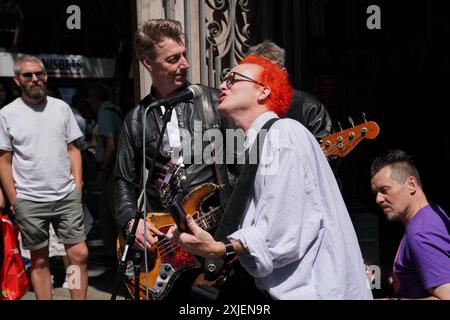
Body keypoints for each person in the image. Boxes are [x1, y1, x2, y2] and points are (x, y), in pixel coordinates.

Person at [167, 55, 373, 300]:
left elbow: (282, 231)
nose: (222, 85)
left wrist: (220, 248)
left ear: (263, 91)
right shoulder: (258, 143)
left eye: (232, 79)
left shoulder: (284, 134)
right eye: (224, 79)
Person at [114, 19, 231, 299]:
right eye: (173, 59)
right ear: (148, 64)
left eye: (184, 55)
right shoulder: (136, 119)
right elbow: (123, 181)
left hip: (214, 233)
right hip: (165, 246)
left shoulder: (214, 103)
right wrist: (132, 221)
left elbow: (245, 166)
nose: (185, 64)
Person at [0, 55, 88, 300]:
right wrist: (14, 199)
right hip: (29, 199)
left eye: (39, 73)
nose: (35, 79)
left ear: (46, 76)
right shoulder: (7, 114)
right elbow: (4, 160)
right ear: (18, 79)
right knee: (39, 261)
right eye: (28, 75)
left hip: (66, 195)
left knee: (78, 255)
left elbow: (73, 149)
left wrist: (78, 185)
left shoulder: (61, 108)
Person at [370, 149, 450, 300]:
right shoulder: (429, 216)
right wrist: (376, 273)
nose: (378, 199)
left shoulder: (421, 233)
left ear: (411, 185)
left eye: (384, 190)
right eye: (376, 193)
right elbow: (414, 275)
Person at [246, 40, 334, 141]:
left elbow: (326, 153)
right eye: (254, 74)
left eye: (268, 73)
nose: (261, 79)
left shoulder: (309, 106)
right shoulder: (240, 107)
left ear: (283, 73)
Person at [87, 83, 123, 262]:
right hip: (117, 167)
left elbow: (110, 145)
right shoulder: (115, 110)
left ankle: (116, 256)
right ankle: (116, 254)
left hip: (110, 168)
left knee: (111, 214)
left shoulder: (104, 113)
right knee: (110, 212)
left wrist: (101, 170)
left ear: (95, 99)